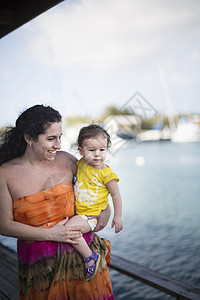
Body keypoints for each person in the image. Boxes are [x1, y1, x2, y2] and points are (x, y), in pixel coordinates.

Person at [0, 105, 114, 300]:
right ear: (29, 138)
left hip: (85, 266)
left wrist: (106, 211)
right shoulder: (5, 173)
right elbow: (4, 225)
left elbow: (97, 188)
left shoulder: (68, 161)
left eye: (60, 137)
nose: (59, 145)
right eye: (51, 138)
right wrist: (49, 233)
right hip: (40, 270)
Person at [65, 124, 123, 281]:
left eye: (102, 150)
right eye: (92, 150)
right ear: (81, 151)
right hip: (81, 214)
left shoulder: (107, 174)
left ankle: (90, 257)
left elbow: (116, 195)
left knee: (69, 230)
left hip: (92, 216)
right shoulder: (81, 164)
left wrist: (117, 216)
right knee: (67, 229)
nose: (97, 154)